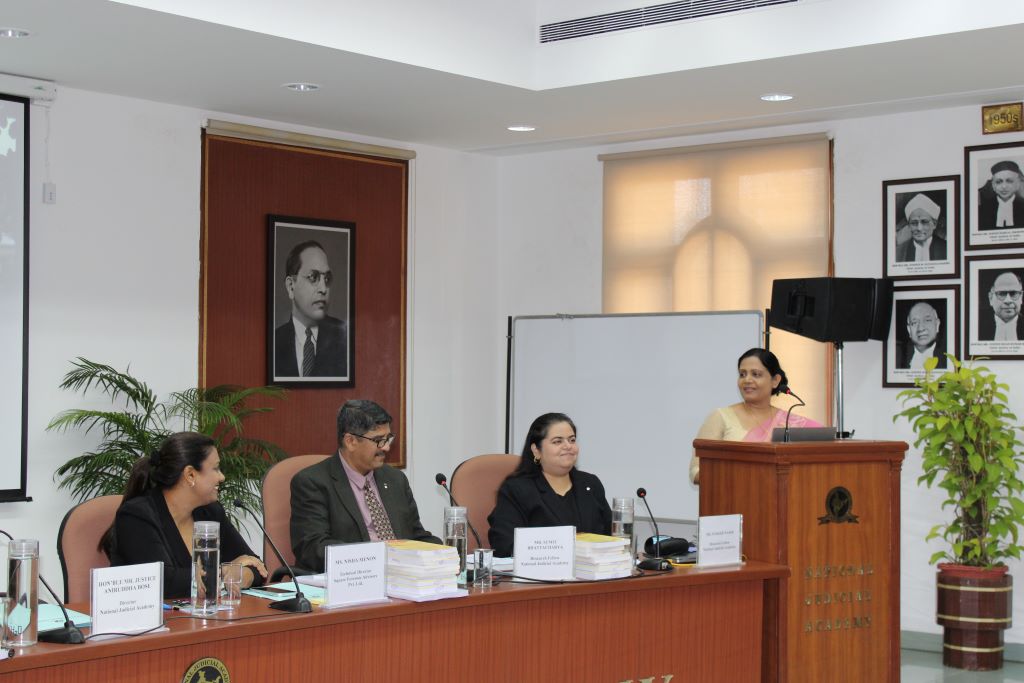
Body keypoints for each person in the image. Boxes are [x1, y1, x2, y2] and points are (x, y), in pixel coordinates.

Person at [104, 432, 268, 599]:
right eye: (216, 468)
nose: (222, 477)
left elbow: (256, 566)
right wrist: (222, 571)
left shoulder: (210, 512)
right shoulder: (136, 516)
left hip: (206, 613)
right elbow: (163, 582)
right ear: (190, 474)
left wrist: (238, 575)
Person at [290, 400, 440, 571]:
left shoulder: (395, 479)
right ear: (350, 441)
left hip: (402, 577)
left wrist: (446, 553)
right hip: (355, 577)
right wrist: (375, 558)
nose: (386, 447)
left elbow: (416, 535)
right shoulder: (313, 482)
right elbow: (312, 548)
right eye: (378, 440)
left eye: (388, 438)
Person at [689, 348, 822, 484]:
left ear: (775, 380)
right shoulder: (720, 417)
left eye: (756, 374)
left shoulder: (789, 422)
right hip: (733, 495)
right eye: (742, 374)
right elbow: (696, 471)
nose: (747, 380)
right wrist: (737, 476)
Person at [487, 413, 612, 558]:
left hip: (593, 569)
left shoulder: (590, 484)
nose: (568, 446)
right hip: (540, 570)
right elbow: (504, 544)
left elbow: (611, 537)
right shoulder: (517, 489)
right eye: (557, 441)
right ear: (536, 450)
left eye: (572, 440)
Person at [273, 240, 348, 378]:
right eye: (313, 277)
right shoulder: (274, 342)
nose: (323, 289)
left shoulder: (346, 338)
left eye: (327, 278)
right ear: (291, 287)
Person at [895, 194, 946, 262]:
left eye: (924, 222)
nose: (919, 228)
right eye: (914, 223)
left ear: (934, 224)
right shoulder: (898, 252)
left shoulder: (947, 248)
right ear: (909, 226)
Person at [896, 301, 946, 369]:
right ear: (909, 330)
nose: (921, 328)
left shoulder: (948, 358)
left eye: (927, 320)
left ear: (937, 325)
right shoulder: (899, 356)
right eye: (914, 322)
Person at [978, 271, 1024, 341]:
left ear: (1021, 297)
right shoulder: (977, 325)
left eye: (1013, 293)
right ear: (990, 298)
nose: (1008, 300)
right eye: (1002, 294)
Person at [978, 160, 1024, 230]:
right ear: (993, 185)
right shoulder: (982, 209)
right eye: (998, 182)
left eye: (1009, 181)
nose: (1004, 186)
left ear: (1017, 184)